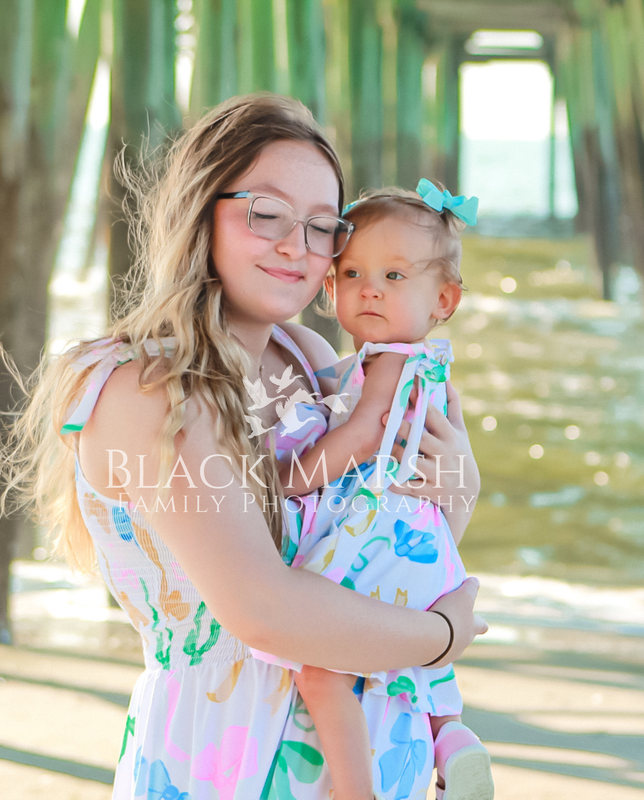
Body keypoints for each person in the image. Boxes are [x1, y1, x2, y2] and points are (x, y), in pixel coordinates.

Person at [0, 94, 486, 799]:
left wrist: (458, 487)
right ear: (202, 210)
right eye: (266, 214)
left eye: (323, 227)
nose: (298, 245)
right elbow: (264, 609)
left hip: (373, 737)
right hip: (229, 754)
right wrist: (440, 639)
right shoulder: (150, 387)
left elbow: (382, 534)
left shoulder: (307, 355)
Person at [250, 182, 494, 800]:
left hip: (380, 536)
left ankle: (354, 788)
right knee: (406, 659)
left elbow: (362, 437)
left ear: (445, 298)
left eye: (393, 274)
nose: (371, 288)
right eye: (353, 272)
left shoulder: (389, 361)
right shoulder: (425, 364)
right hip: (422, 544)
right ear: (329, 290)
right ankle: (451, 735)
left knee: (320, 667)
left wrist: (283, 482)